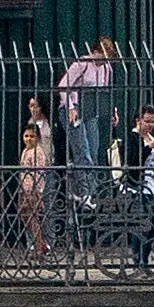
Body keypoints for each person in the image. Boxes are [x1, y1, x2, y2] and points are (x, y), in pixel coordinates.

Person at [57, 38, 118, 193]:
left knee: (93, 148)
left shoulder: (106, 69)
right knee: (82, 149)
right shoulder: (81, 65)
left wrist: (112, 110)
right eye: (102, 56)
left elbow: (104, 92)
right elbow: (64, 85)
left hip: (91, 109)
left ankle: (92, 189)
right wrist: (70, 107)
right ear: (95, 52)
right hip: (74, 108)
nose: (104, 61)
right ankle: (85, 191)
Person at [128, 106, 154, 271]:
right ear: (139, 120)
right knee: (142, 226)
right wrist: (149, 147)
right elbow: (133, 162)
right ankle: (138, 261)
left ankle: (146, 259)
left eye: (152, 121)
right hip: (143, 188)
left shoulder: (151, 137)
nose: (150, 124)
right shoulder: (133, 137)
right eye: (147, 121)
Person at [17, 122, 53, 257]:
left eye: (32, 136)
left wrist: (37, 190)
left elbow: (39, 173)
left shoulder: (38, 152)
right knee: (26, 217)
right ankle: (41, 244)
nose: (28, 139)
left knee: (32, 218)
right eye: (26, 136)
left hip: (33, 189)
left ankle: (40, 245)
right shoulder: (25, 151)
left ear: (37, 137)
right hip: (24, 188)